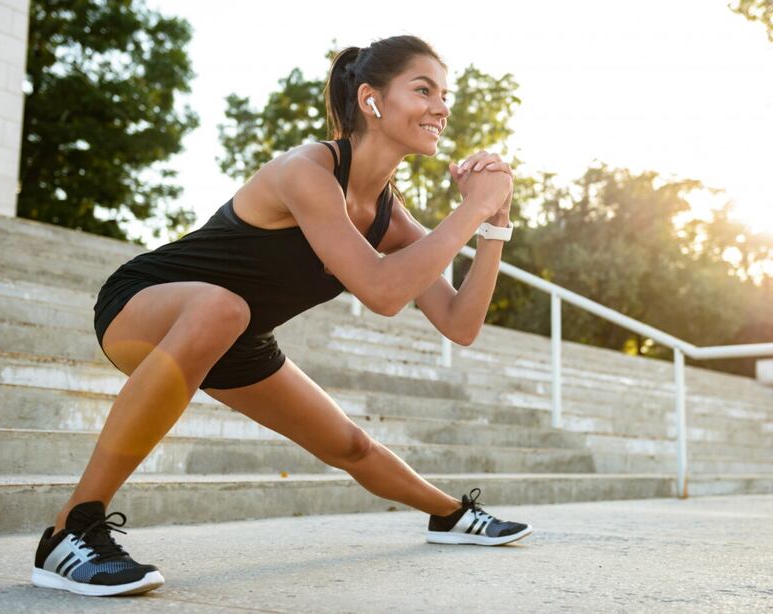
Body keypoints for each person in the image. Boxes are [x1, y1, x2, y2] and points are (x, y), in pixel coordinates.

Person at [31, 34, 531, 597]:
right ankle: (69, 532)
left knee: (350, 445)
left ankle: (452, 516)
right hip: (146, 302)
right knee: (223, 306)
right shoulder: (307, 170)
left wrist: (495, 226)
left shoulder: (389, 218)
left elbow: (460, 324)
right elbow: (382, 292)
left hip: (234, 334)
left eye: (445, 94)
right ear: (371, 100)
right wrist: (472, 206)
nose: (441, 106)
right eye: (423, 89)